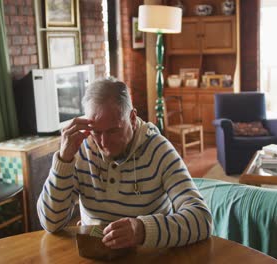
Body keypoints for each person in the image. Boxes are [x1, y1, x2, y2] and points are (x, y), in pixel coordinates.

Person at [37, 78, 212, 249]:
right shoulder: (80, 150)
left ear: (133, 119)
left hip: (149, 257)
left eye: (113, 131)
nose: (104, 143)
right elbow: (51, 223)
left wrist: (142, 230)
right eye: (97, 132)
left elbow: (202, 220)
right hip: (95, 253)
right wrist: (63, 160)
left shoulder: (159, 150)